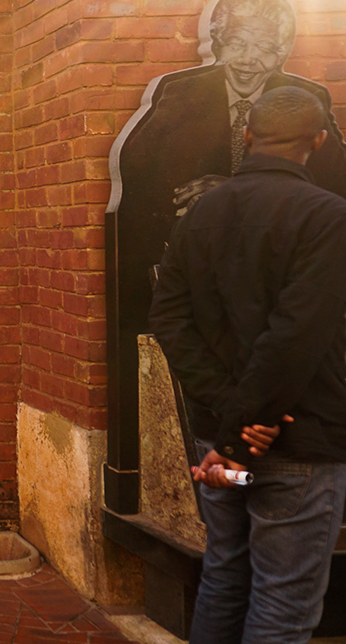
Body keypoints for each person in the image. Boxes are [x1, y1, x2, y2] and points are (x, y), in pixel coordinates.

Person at [149, 87, 346, 644]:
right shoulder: (330, 217)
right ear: (318, 141)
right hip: (292, 450)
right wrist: (243, 428)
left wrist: (227, 425)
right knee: (283, 605)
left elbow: (168, 317)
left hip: (220, 456)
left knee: (224, 577)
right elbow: (295, 337)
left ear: (248, 136)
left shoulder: (203, 211)